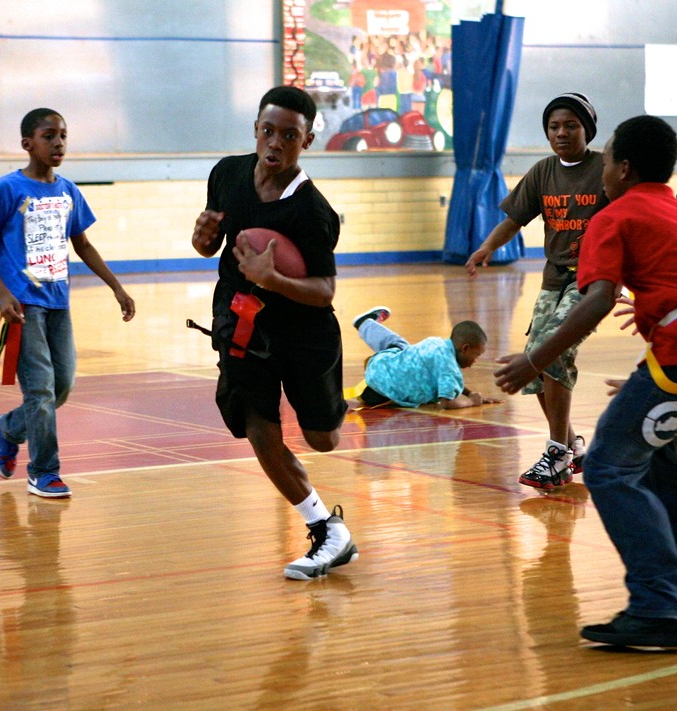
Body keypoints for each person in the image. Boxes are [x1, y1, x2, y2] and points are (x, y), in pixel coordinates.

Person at [495, 115, 677, 649]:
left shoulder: (611, 217)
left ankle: (659, 607)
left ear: (623, 169)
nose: (603, 168)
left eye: (609, 157)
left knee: (609, 467)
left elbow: (595, 301)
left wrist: (534, 359)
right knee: (662, 464)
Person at [191, 86, 356, 581]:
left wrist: (274, 279)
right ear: (256, 130)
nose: (276, 143)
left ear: (307, 141)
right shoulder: (227, 174)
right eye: (268, 131)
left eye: (289, 135)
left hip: (304, 329)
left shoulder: (312, 211)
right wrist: (201, 240)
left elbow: (324, 291)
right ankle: (327, 529)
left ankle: (330, 406)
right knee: (257, 424)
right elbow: (211, 245)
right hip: (242, 320)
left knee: (322, 439)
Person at [0, 108, 135, 499]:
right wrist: (3, 294)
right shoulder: (7, 189)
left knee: (62, 385)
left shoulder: (68, 191)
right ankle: (44, 472)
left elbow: (84, 245)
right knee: (41, 391)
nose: (58, 143)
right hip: (22, 306)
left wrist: (117, 287)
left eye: (63, 135)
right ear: (27, 143)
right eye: (49, 136)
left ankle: (8, 428)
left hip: (59, 303)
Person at [465, 92, 608, 490]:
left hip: (592, 279)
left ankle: (557, 455)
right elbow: (514, 219)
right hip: (554, 277)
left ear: (587, 130)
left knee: (553, 352)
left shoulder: (605, 169)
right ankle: (571, 446)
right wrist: (487, 247)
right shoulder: (543, 171)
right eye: (554, 126)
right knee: (537, 360)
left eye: (571, 126)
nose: (561, 133)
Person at [349, 306, 500, 410]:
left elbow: (447, 381)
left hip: (378, 366)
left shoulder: (435, 342)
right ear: (465, 348)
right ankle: (365, 323)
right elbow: (447, 403)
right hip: (379, 395)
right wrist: (471, 402)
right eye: (477, 355)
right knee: (404, 350)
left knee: (404, 348)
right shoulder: (449, 369)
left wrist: (469, 393)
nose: (476, 360)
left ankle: (366, 324)